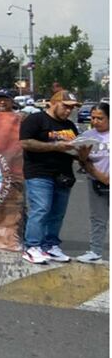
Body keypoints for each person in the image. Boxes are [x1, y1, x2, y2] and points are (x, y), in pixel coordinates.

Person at [19, 90, 81, 264]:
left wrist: (82, 151)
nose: (69, 111)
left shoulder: (70, 125)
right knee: (41, 209)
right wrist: (55, 146)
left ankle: (50, 245)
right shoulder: (36, 120)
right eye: (66, 107)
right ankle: (32, 246)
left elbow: (74, 148)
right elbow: (25, 142)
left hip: (63, 174)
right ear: (53, 103)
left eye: (72, 108)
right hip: (39, 172)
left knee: (57, 213)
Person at [75, 102, 109, 263]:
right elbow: (82, 162)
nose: (95, 121)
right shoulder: (87, 136)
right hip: (97, 183)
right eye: (93, 118)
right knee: (98, 219)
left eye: (100, 118)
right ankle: (95, 252)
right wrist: (83, 158)